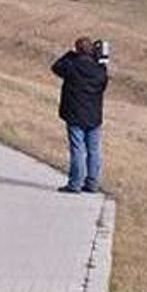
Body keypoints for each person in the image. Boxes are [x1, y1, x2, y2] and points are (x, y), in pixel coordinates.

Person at [52, 37, 109, 193]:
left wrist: (70, 54)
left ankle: (75, 183)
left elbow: (56, 67)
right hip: (94, 115)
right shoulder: (100, 70)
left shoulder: (72, 66)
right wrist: (100, 61)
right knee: (94, 150)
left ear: (77, 50)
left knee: (77, 149)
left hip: (75, 114)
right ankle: (92, 183)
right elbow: (104, 84)